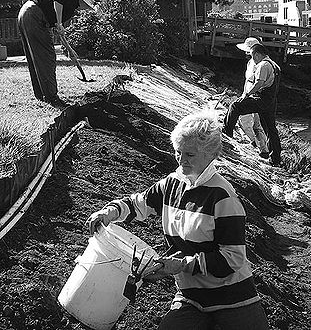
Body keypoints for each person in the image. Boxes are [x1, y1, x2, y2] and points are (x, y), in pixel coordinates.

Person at [87, 111, 269, 330]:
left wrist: (182, 265)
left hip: (233, 299)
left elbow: (232, 259)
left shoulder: (223, 197)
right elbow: (138, 204)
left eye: (189, 155)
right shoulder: (172, 184)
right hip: (191, 297)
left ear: (210, 154)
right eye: (178, 152)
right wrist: (109, 213)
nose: (182, 161)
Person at [18, 0, 96, 106]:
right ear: (83, 1)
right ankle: (52, 98)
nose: (87, 9)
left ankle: (42, 95)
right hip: (34, 15)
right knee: (47, 58)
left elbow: (59, 31)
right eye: (88, 6)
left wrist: (69, 50)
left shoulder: (70, 5)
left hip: (26, 13)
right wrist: (59, 23)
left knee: (36, 58)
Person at [224, 43, 281, 167]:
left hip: (262, 99)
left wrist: (246, 95)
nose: (252, 59)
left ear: (257, 54)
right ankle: (275, 159)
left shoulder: (263, 65)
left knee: (235, 106)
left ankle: (227, 132)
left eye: (252, 55)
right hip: (272, 100)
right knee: (271, 130)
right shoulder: (275, 65)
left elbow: (259, 83)